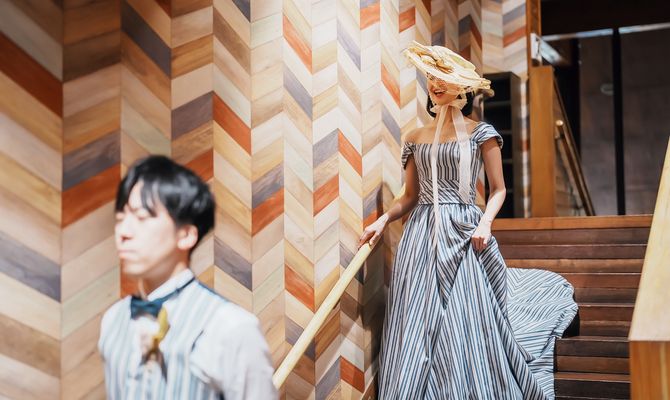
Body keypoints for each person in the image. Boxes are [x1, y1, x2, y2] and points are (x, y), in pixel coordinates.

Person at [359, 42, 577, 399]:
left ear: (460, 85)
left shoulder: (481, 133)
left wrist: (485, 223)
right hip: (421, 234)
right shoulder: (415, 137)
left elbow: (499, 190)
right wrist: (383, 221)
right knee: (416, 311)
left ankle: (463, 382)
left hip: (464, 229)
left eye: (442, 77)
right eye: (431, 77)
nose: (435, 84)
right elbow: (410, 196)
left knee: (463, 309)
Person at [98, 155, 277, 400]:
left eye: (141, 217)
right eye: (120, 219)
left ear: (186, 235)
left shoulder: (231, 328)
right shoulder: (113, 320)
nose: (123, 232)